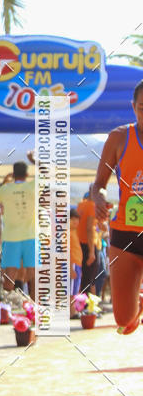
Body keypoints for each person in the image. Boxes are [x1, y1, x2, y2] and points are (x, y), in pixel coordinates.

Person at [91, 79, 143, 334]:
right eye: (142, 108)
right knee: (124, 320)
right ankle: (137, 302)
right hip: (125, 234)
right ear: (133, 107)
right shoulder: (119, 137)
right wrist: (99, 199)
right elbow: (98, 184)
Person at [0, 161, 36, 299]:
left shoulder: (5, 189)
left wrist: (4, 182)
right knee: (33, 274)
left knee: (9, 275)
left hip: (10, 237)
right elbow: (46, 173)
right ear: (27, 174)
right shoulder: (32, 186)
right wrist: (35, 161)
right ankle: (35, 306)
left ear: (13, 174)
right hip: (30, 236)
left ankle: (7, 305)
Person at [76, 188, 99, 293]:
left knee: (83, 278)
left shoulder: (81, 205)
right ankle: (85, 301)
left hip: (80, 244)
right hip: (88, 245)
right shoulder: (92, 206)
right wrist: (92, 252)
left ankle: (82, 300)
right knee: (89, 279)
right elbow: (89, 228)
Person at [69, 207, 83, 317]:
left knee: (74, 289)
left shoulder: (74, 232)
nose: (75, 221)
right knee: (71, 290)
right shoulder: (67, 233)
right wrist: (70, 268)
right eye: (72, 219)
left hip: (77, 264)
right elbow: (66, 251)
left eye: (77, 219)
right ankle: (71, 312)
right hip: (72, 263)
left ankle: (73, 310)